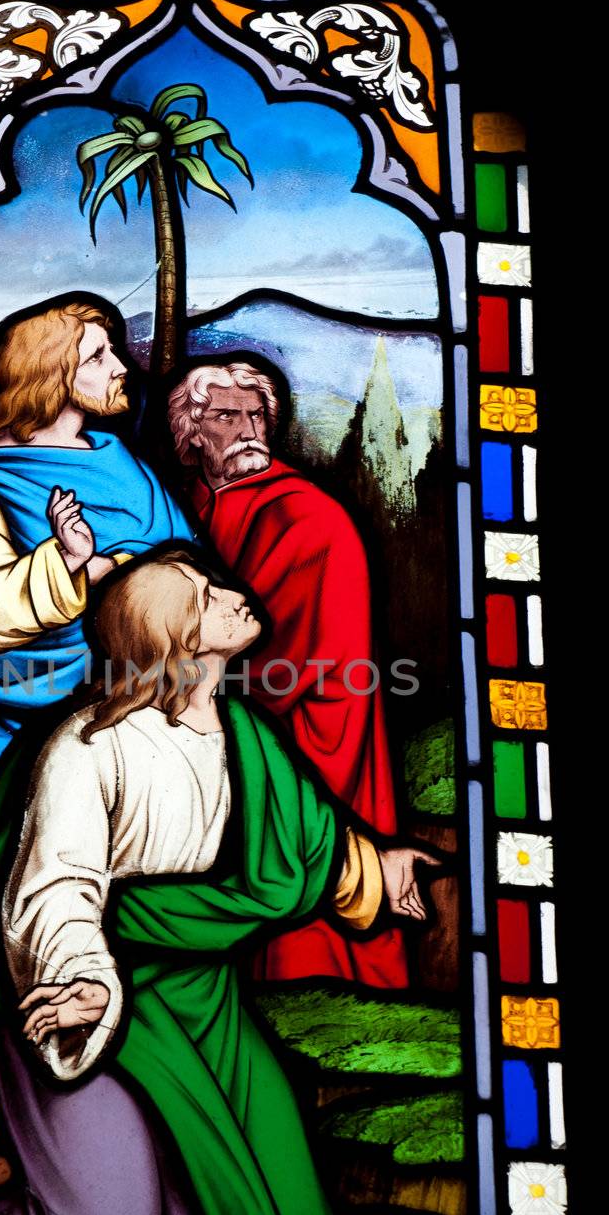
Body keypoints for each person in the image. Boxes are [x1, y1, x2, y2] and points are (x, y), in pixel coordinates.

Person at [0, 552, 466, 1215]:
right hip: (84, 995)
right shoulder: (88, 747)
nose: (233, 595)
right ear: (173, 639)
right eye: (205, 596)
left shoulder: (243, 736)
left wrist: (377, 873)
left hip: (202, 999)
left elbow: (300, 841)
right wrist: (81, 982)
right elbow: (55, 885)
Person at [0, 296, 192, 1163]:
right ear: (51, 374)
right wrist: (69, 568)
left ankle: (112, 1134)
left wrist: (138, 583)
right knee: (1, 931)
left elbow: (183, 574)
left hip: (120, 733)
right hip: (4, 740)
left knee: (115, 924)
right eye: (100, 355)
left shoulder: (123, 462)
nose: (122, 369)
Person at [168, 360, 408, 987]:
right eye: (227, 416)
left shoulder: (306, 517)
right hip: (239, 715)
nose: (250, 429)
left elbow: (279, 655)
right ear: (193, 433)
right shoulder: (189, 503)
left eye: (257, 416)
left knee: (294, 872)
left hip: (309, 725)